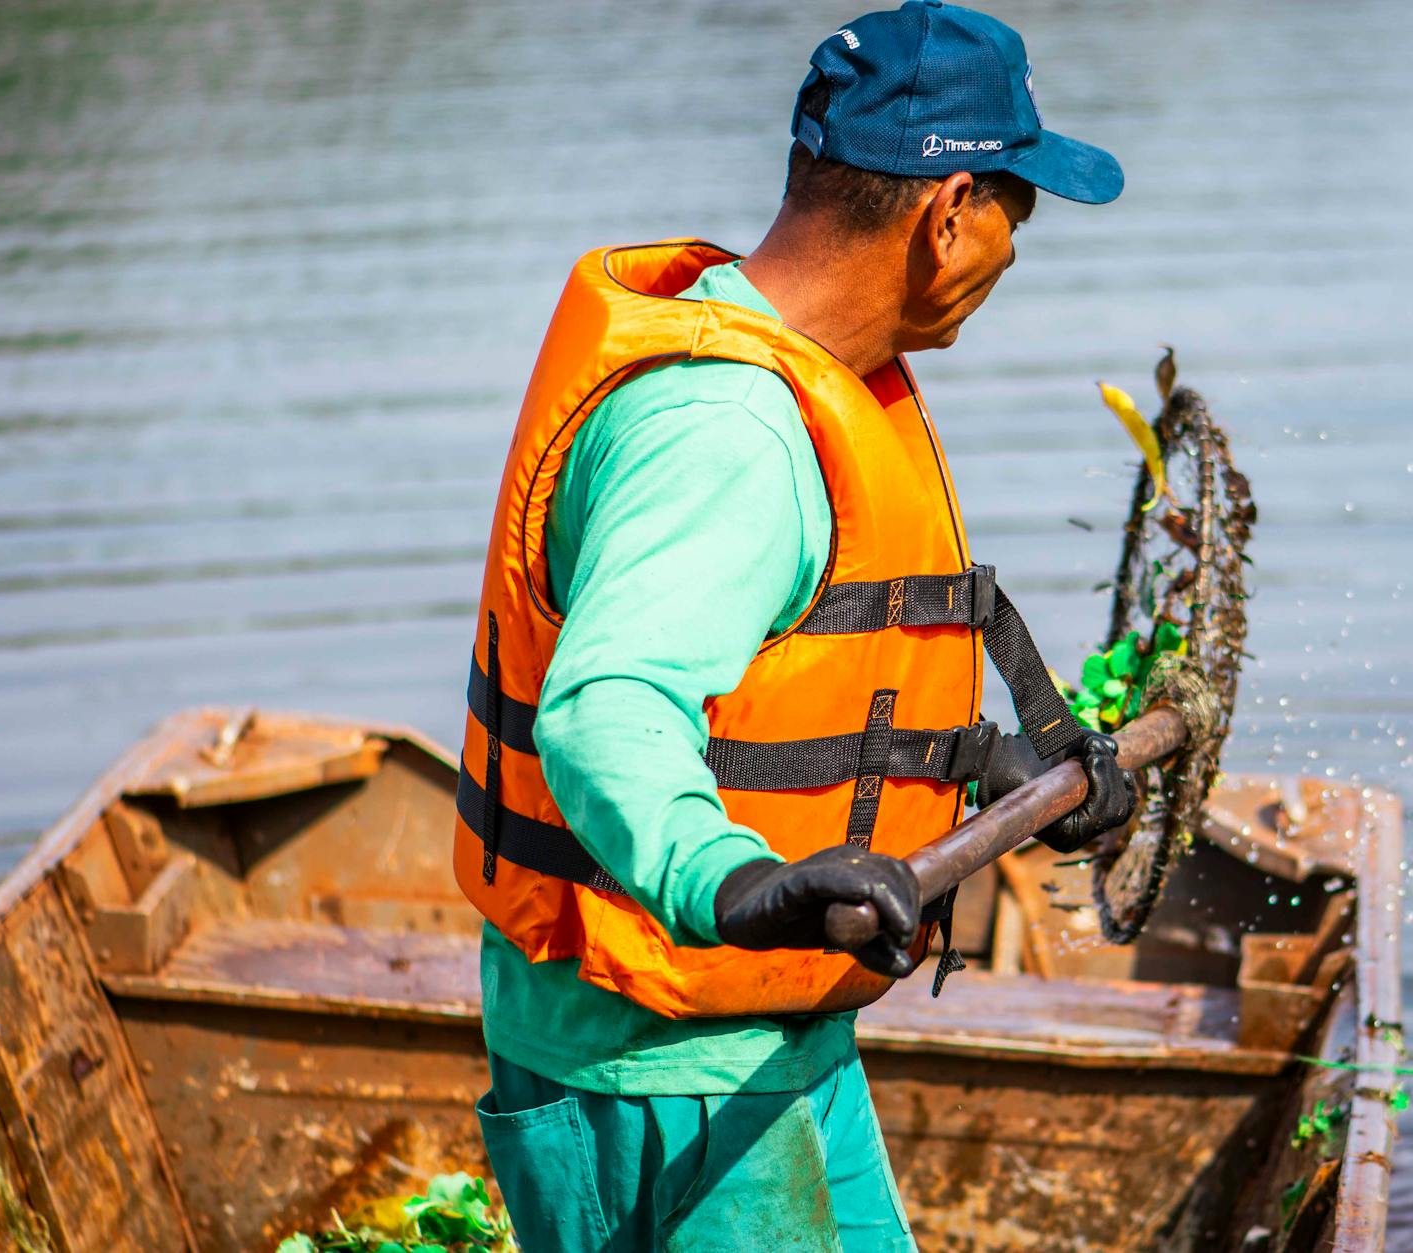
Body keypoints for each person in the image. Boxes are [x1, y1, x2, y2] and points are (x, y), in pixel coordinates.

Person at [453, 3, 1130, 1248]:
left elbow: (808, 690)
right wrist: (741, 883)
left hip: (767, 1033)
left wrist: (992, 766)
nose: (1012, 256)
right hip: (652, 1063)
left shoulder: (807, 371)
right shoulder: (728, 435)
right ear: (948, 212)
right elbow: (608, 708)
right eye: (1015, 216)